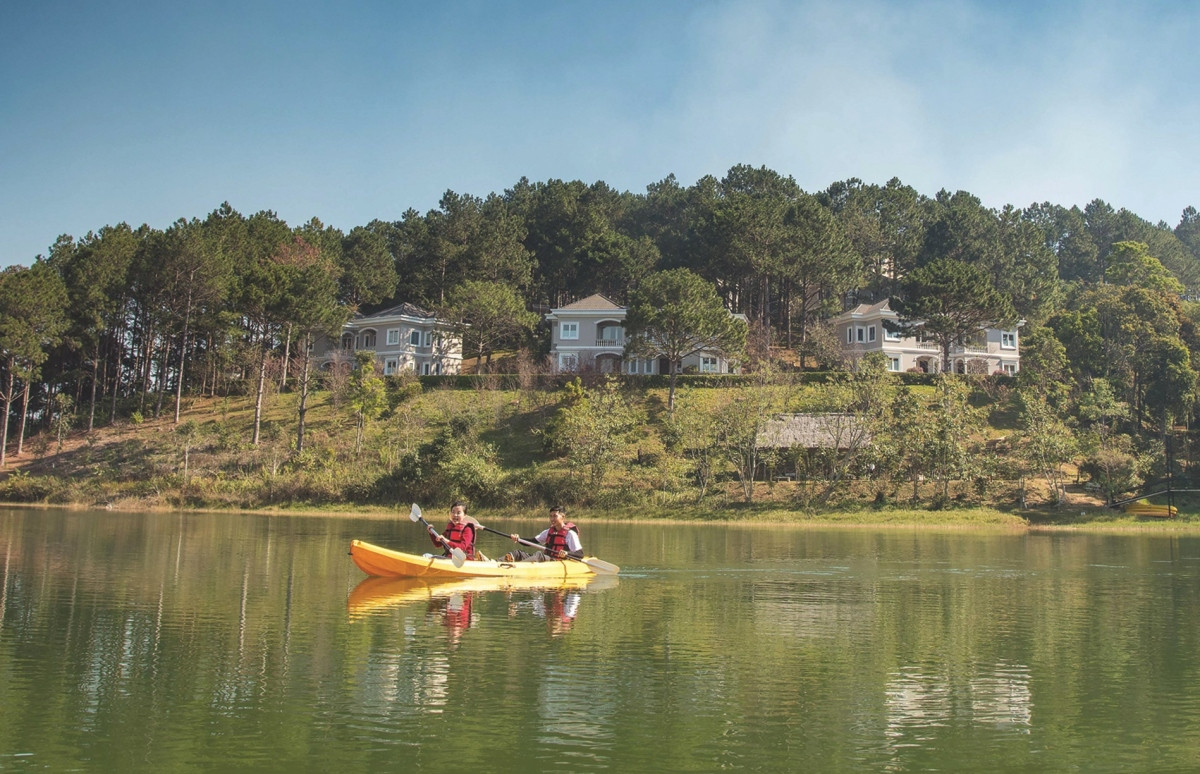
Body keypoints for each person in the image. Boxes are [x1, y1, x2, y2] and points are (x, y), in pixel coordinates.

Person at [505, 505, 582, 562]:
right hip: (546, 558)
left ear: (563, 517)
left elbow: (580, 554)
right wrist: (518, 539)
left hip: (557, 561)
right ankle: (495, 562)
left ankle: (516, 567)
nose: (552, 519)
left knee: (538, 555)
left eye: (555, 516)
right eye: (550, 516)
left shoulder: (570, 534)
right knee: (517, 553)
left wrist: (567, 553)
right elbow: (532, 542)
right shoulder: (548, 532)